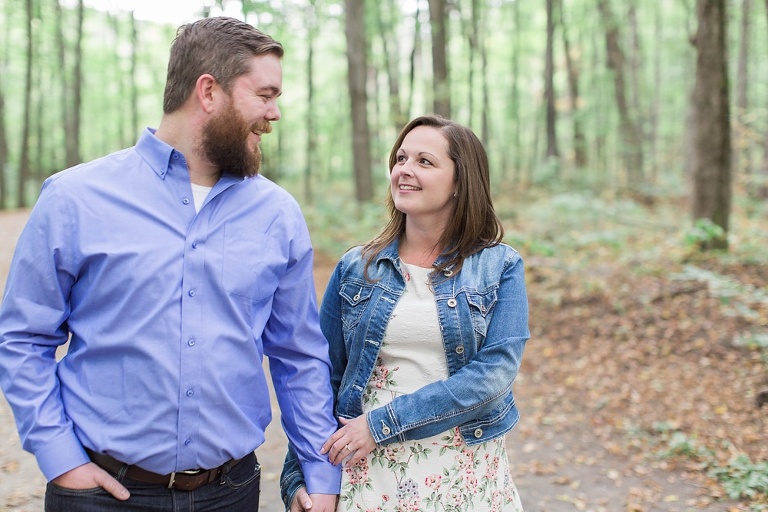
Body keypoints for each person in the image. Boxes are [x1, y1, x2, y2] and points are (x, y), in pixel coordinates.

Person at [0, 16, 339, 512]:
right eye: (265, 95)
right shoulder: (75, 198)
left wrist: (321, 476)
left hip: (232, 492)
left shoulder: (277, 214)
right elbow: (24, 337)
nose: (274, 113)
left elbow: (298, 355)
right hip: (100, 496)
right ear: (208, 91)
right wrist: (61, 458)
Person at [281, 114, 529, 511]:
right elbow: (318, 379)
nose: (404, 171)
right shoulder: (356, 267)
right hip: (367, 475)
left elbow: (494, 375)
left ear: (461, 182)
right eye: (400, 159)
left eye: (424, 162)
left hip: (464, 474)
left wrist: (382, 426)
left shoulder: (499, 267)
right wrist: (299, 477)